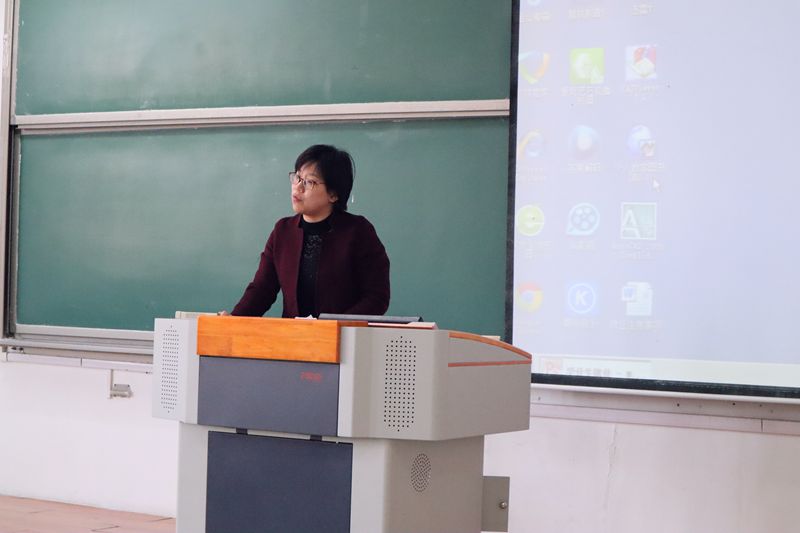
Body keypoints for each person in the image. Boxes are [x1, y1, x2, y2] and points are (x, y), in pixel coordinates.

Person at [228, 144, 390, 318]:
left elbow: (376, 297)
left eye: (309, 182)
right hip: (294, 334)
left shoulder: (358, 232)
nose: (298, 187)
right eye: (297, 177)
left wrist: (337, 325)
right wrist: (233, 321)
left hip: (342, 334)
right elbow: (262, 290)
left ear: (333, 194)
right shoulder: (283, 231)